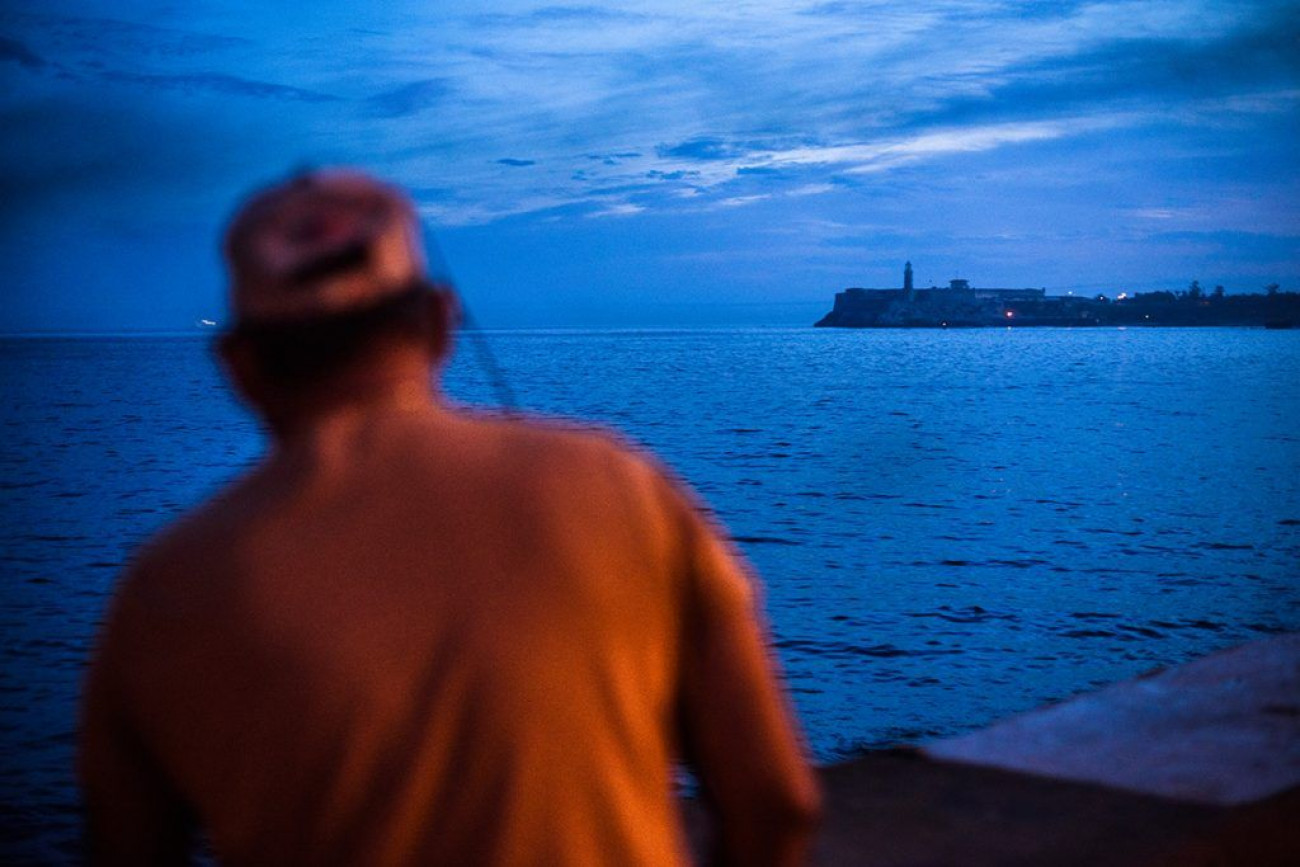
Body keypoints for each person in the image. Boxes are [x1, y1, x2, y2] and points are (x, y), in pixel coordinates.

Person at [79, 169, 821, 866]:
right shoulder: (622, 484)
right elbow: (776, 801)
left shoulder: (168, 585)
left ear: (239, 365)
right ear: (438, 321)